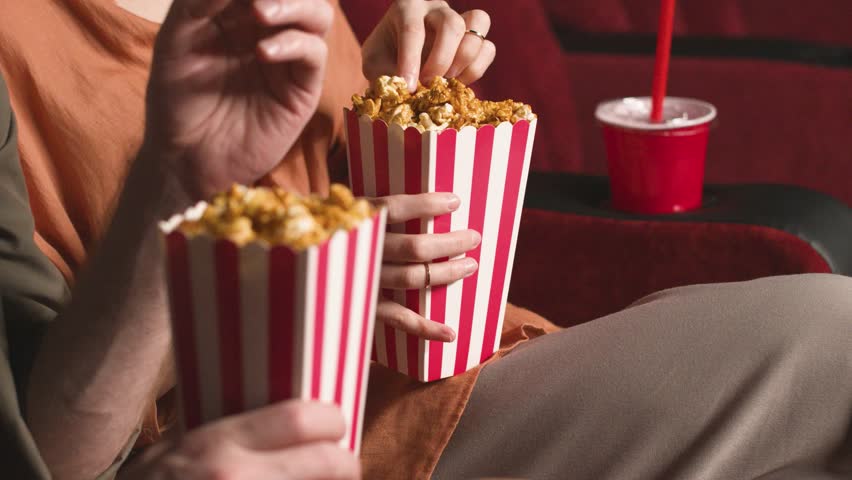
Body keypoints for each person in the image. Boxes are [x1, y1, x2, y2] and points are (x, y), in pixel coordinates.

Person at [0, 1, 850, 480]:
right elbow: (51, 448)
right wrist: (297, 294)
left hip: (447, 364)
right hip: (314, 442)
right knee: (835, 339)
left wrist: (389, 106)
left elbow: (312, 189)